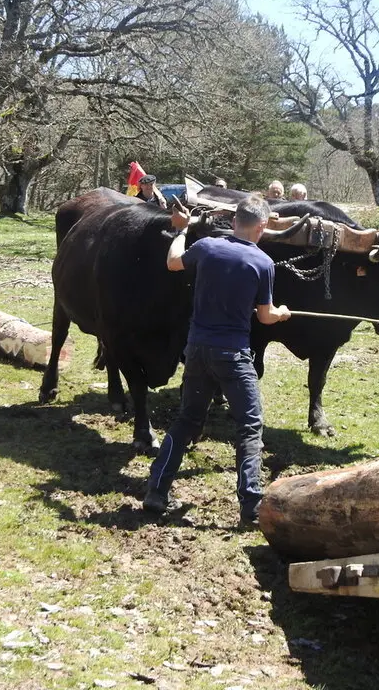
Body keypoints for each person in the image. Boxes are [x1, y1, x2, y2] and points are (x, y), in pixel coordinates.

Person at [143, 193, 291, 525]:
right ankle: (251, 504)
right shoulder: (262, 263)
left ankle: (156, 490)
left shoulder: (207, 247)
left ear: (235, 221)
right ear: (262, 227)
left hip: (197, 350)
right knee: (249, 425)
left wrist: (181, 231)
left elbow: (173, 262)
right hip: (233, 355)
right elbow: (265, 316)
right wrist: (282, 313)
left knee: (187, 420)